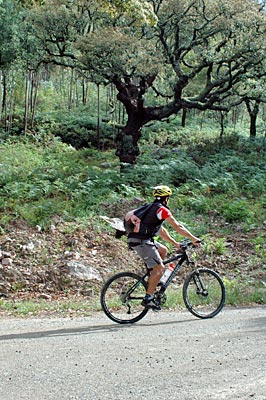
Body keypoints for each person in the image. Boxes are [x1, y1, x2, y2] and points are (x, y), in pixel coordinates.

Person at [127, 185, 201, 310]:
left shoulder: (152, 208)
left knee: (163, 250)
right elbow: (178, 227)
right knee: (159, 267)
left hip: (139, 239)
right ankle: (148, 298)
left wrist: (175, 244)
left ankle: (154, 277)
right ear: (166, 198)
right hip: (141, 241)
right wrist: (193, 238)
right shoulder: (162, 210)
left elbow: (161, 230)